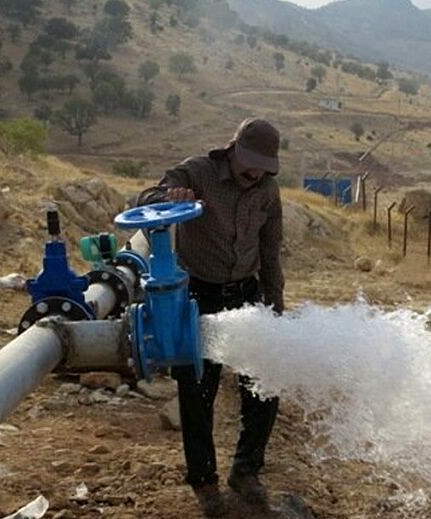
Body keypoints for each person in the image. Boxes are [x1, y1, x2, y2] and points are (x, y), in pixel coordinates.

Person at [137, 118, 284, 517]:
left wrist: (275, 308)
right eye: (250, 162)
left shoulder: (268, 192)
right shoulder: (197, 172)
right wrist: (170, 196)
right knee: (198, 394)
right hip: (199, 297)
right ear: (233, 148)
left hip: (247, 296)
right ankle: (204, 483)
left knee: (265, 386)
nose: (254, 173)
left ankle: (246, 471)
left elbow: (270, 253)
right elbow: (146, 199)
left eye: (263, 166)